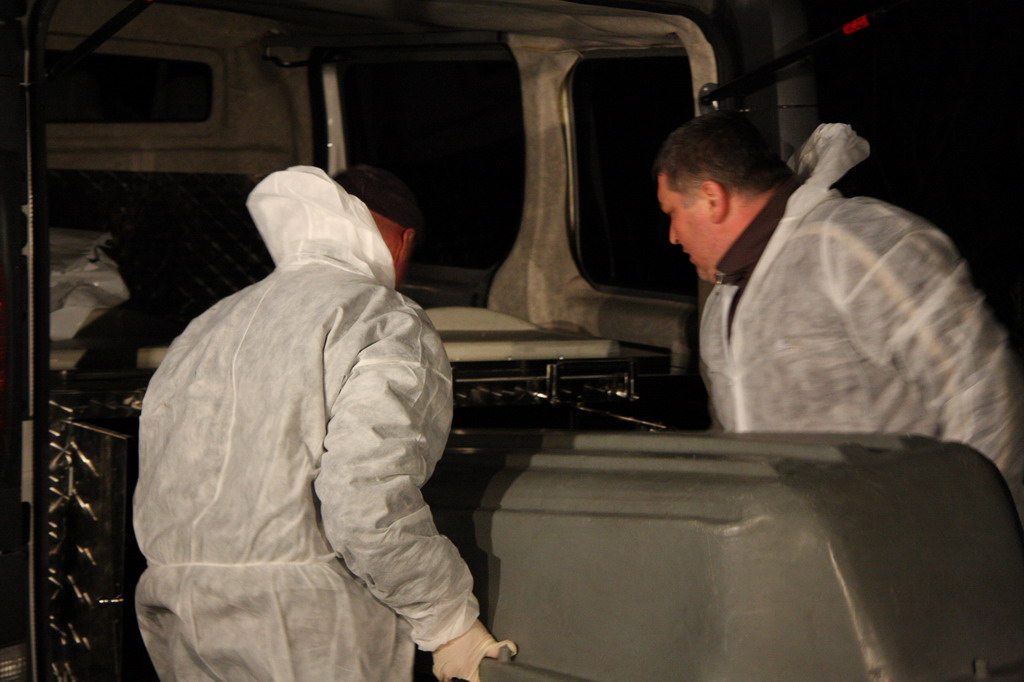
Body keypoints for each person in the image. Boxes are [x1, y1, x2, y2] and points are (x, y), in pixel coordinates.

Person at [133, 165, 514, 681]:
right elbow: (364, 498)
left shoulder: (208, 325)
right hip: (308, 622)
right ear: (404, 241)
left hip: (180, 612)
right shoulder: (380, 315)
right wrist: (446, 620)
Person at [653, 111, 1024, 522]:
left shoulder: (854, 244)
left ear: (712, 198)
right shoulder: (725, 300)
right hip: (795, 547)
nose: (672, 236)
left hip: (906, 536)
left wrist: (972, 528)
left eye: (672, 213)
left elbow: (982, 389)